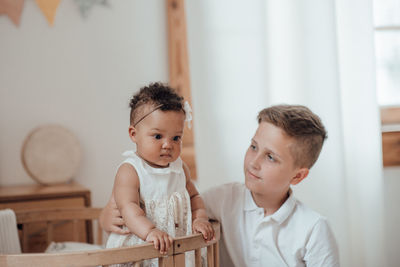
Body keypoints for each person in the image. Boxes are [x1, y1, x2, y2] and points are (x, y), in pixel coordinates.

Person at [101, 104, 339, 267]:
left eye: (270, 157)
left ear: (297, 176)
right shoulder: (224, 199)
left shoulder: (313, 229)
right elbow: (172, 207)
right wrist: (106, 217)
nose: (253, 162)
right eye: (254, 147)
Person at [103, 82, 214, 266]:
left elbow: (194, 196)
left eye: (176, 138)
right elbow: (128, 208)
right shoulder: (130, 171)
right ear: (133, 134)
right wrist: (150, 231)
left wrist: (200, 218)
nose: (167, 145)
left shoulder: (180, 169)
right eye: (157, 136)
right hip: (141, 248)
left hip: (174, 249)